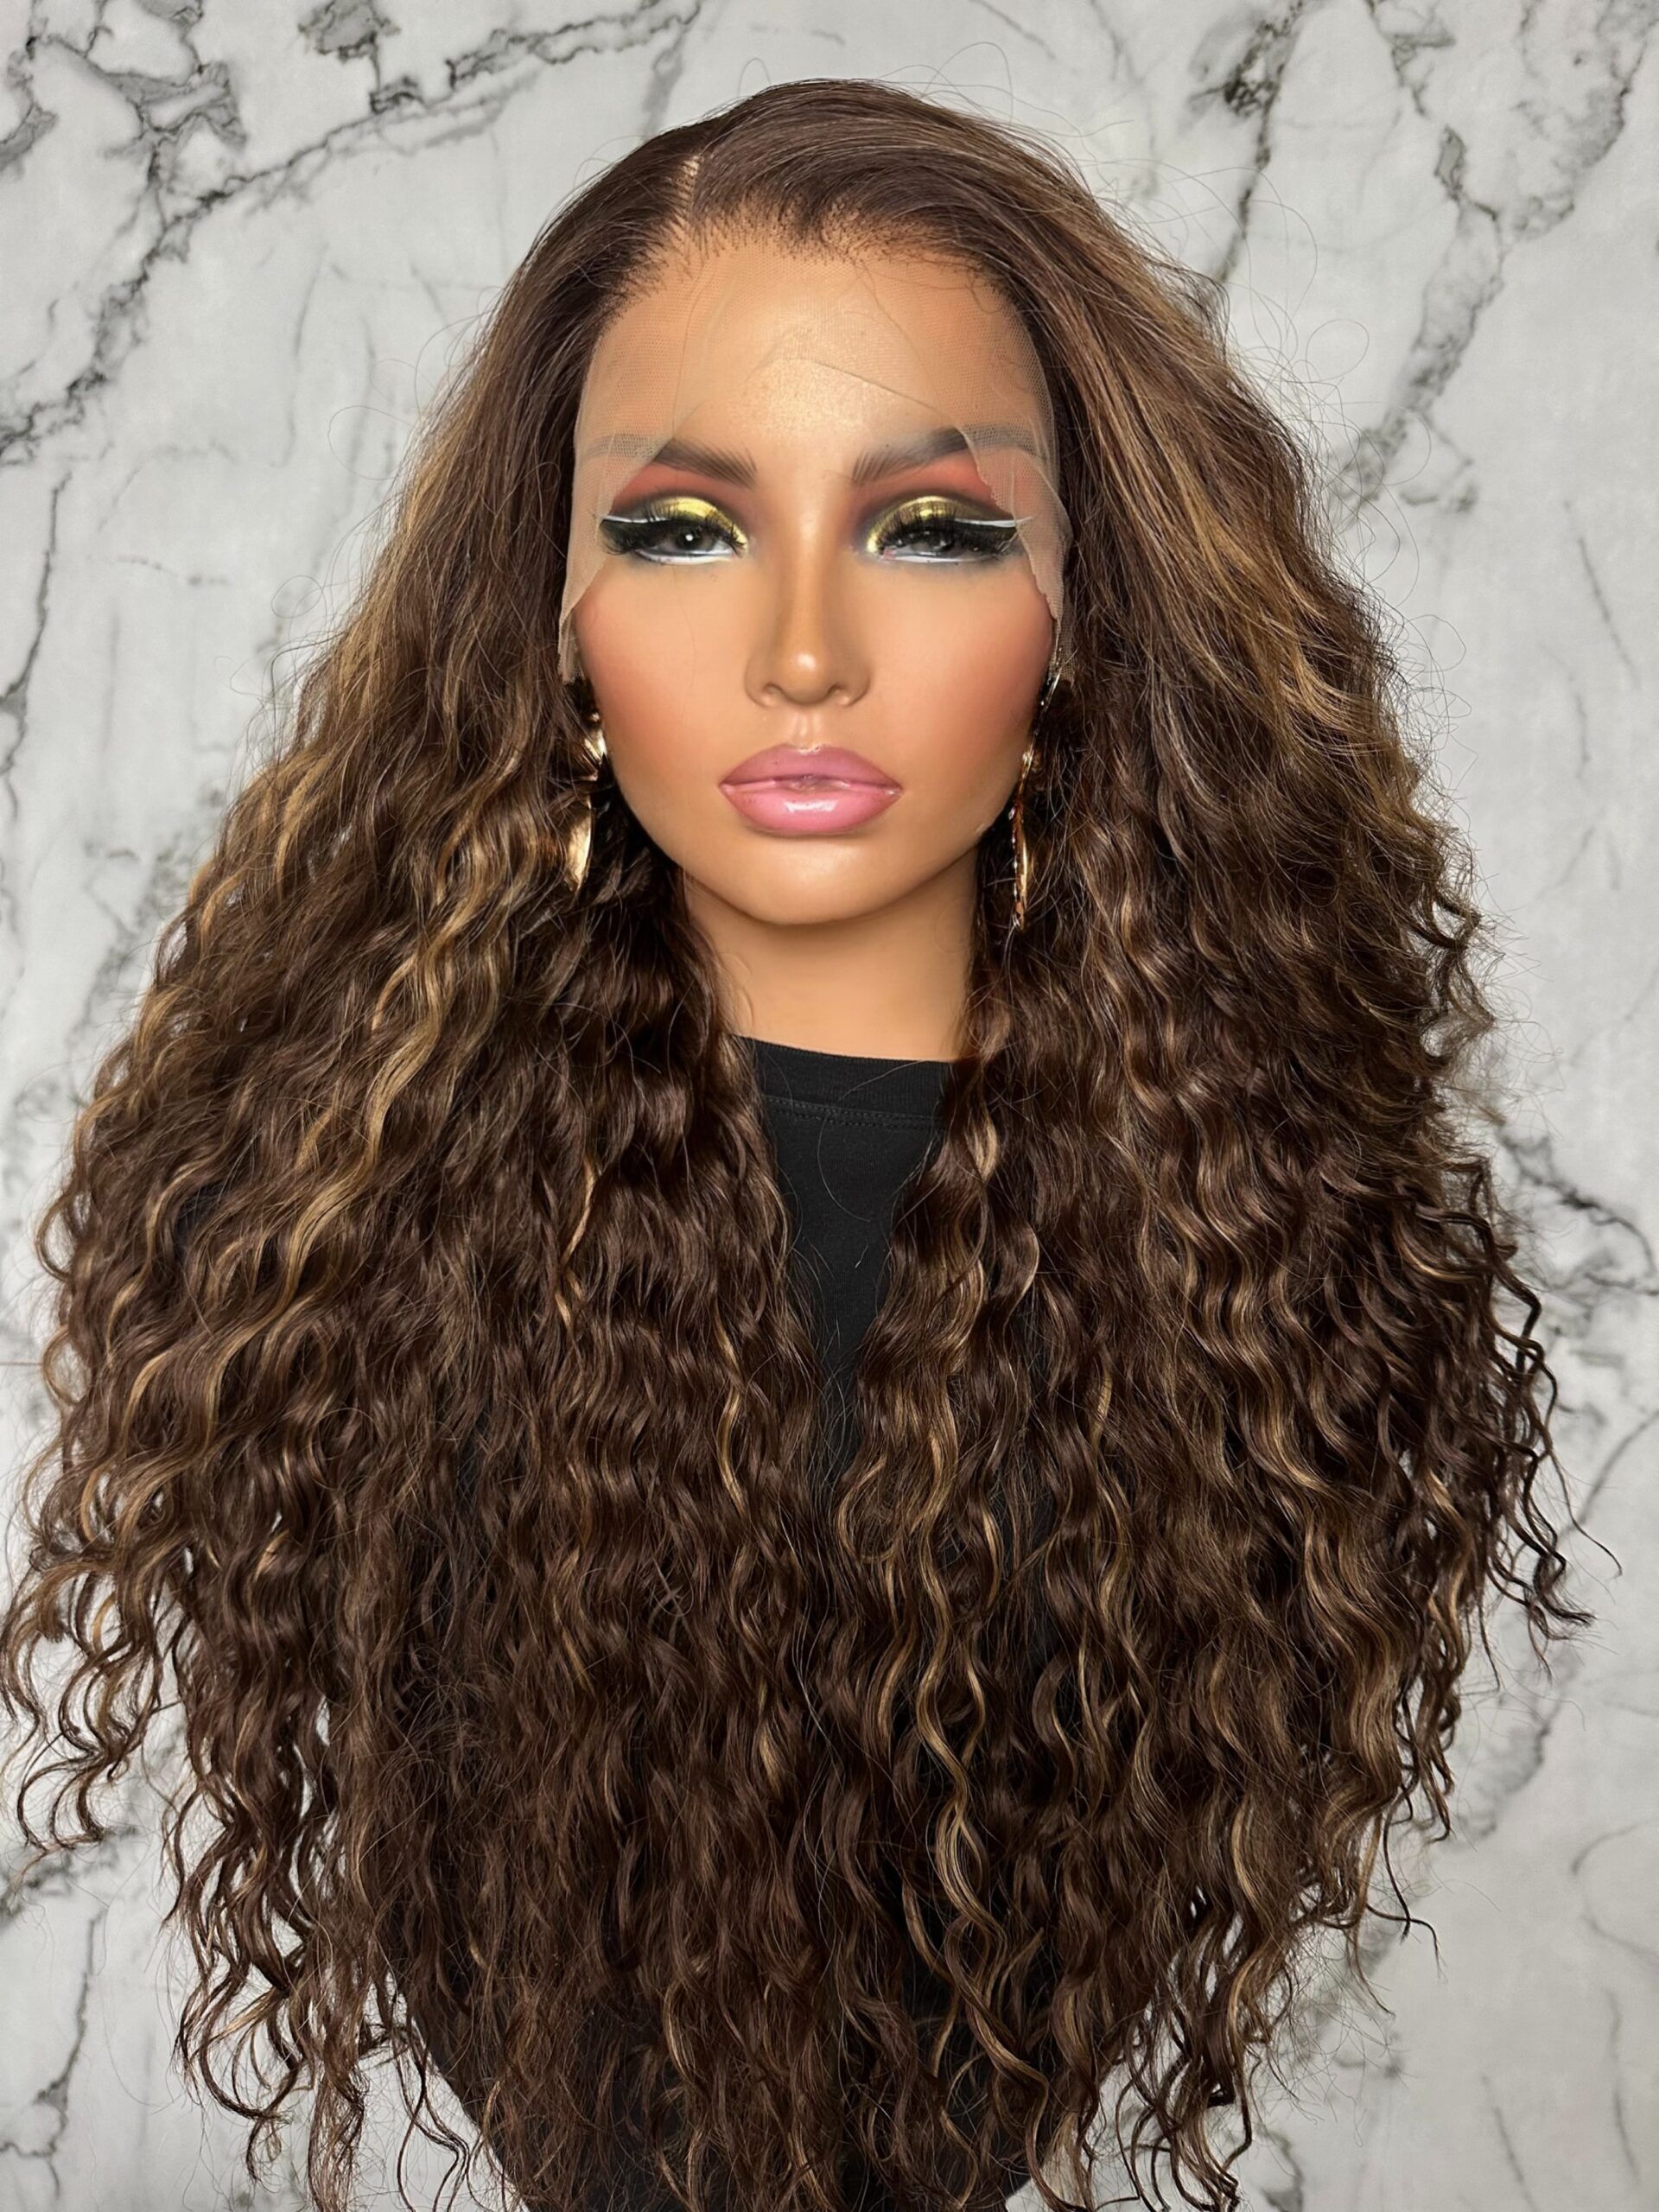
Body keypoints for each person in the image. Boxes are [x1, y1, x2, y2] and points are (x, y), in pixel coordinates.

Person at [0, 77, 1592, 2212]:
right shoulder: (323, 1268)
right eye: (684, 528)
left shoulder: (1296, 1293)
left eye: (931, 527)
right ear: (553, 620)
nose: (807, 655)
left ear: (1082, 614)